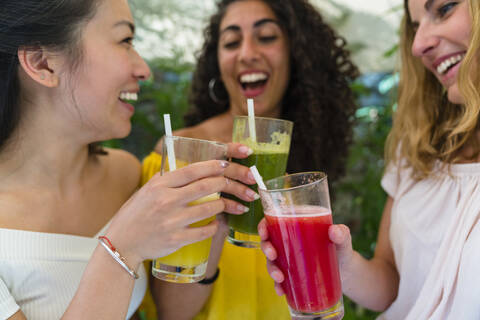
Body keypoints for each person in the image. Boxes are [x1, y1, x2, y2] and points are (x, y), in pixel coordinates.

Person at [0, 0, 256, 319]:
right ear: (43, 64)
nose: (144, 69)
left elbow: (170, 310)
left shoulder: (124, 174)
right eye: (125, 41)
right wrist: (121, 249)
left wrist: (213, 207)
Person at [260, 0, 480, 319]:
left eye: (444, 9)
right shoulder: (419, 147)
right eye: (415, 27)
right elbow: (390, 285)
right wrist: (342, 264)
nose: (418, 45)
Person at [144, 0, 358, 319]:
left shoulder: (306, 159)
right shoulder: (178, 157)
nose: (247, 53)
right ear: (216, 62)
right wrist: (216, 210)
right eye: (231, 42)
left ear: (296, 54)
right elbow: (172, 312)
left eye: (267, 37)